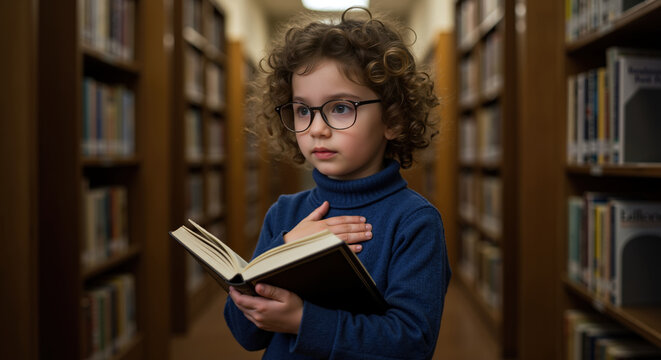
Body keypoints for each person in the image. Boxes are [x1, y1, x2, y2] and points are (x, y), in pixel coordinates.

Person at [224, 7, 451, 359]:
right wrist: (283, 249)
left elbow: (412, 343)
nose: (317, 128)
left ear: (393, 119)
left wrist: (302, 320)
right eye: (302, 110)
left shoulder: (415, 221)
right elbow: (246, 334)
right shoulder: (286, 214)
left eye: (341, 107)